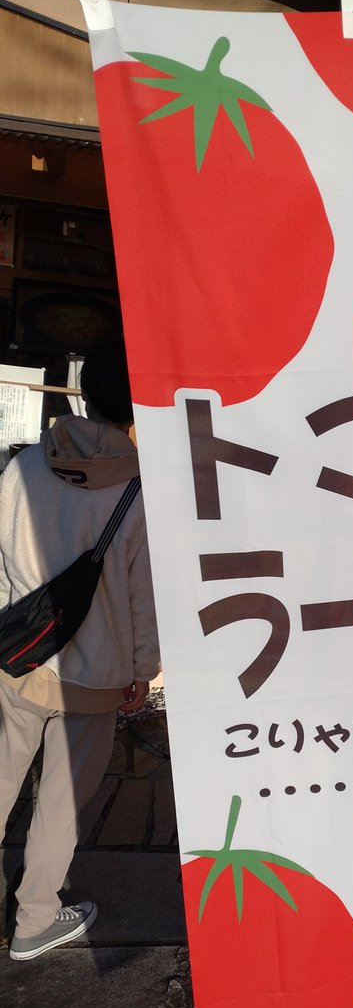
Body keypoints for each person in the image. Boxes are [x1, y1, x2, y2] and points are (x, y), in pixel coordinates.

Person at [0, 341, 159, 960]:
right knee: (60, 802)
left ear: (82, 395)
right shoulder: (139, 494)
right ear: (136, 408)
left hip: (17, 659)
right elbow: (143, 603)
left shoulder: (22, 467)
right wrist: (142, 670)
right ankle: (35, 919)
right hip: (95, 678)